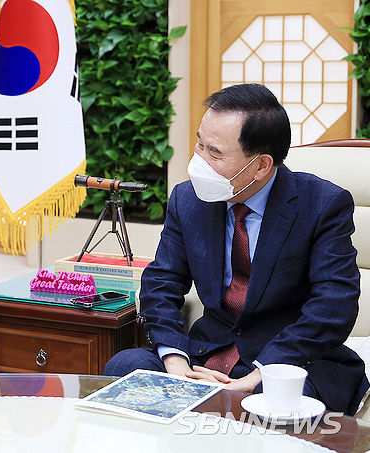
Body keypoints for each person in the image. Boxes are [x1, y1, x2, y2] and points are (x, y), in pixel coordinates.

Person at [104, 83, 369, 415]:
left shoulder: (322, 205)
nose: (199, 160)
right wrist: (175, 360)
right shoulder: (188, 198)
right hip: (205, 354)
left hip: (287, 360)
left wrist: (260, 375)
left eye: (214, 153)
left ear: (261, 166)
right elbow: (162, 282)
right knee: (125, 367)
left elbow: (334, 304)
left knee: (278, 403)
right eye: (200, 143)